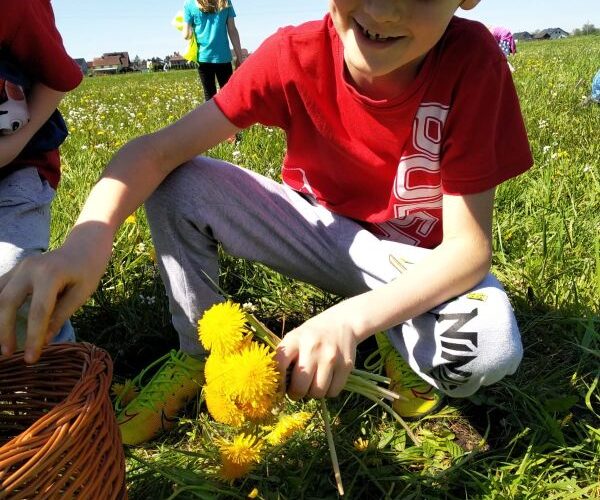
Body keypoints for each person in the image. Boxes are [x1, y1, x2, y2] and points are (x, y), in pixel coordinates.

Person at [0, 0, 533, 445]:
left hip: (407, 266)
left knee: (488, 349)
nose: (380, 9)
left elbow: (467, 249)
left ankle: (395, 332)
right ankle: (201, 353)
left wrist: (352, 319)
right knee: (180, 181)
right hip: (321, 237)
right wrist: (88, 237)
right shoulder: (294, 53)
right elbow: (155, 152)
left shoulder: (472, 62)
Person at [0, 0, 82, 357]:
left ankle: (58, 378)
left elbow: (57, 77)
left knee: (10, 279)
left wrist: (14, 143)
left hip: (18, 168)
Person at [183, 0, 244, 102]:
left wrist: (186, 26)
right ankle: (231, 118)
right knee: (228, 96)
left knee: (209, 96)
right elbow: (232, 30)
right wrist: (239, 57)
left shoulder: (189, 4)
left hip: (203, 58)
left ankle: (212, 118)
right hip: (223, 57)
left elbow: (186, 35)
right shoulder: (225, 1)